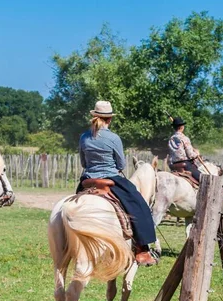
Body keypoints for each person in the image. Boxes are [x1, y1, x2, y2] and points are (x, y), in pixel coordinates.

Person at [77, 101, 157, 266]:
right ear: (109, 119)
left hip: (88, 180)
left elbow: (84, 163)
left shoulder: (84, 137)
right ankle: (142, 250)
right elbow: (120, 164)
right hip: (111, 178)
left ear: (94, 116)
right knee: (139, 205)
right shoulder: (113, 138)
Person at [167, 117, 202, 182]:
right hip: (185, 165)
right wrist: (197, 154)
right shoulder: (184, 138)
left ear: (174, 127)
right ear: (182, 127)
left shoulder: (170, 139)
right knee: (203, 179)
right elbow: (190, 155)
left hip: (173, 165)